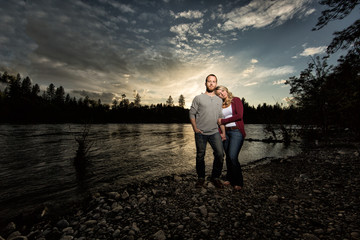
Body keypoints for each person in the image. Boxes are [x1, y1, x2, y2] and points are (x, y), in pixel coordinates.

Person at [189, 74, 225, 189]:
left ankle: (215, 177)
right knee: (200, 155)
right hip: (201, 132)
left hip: (215, 132)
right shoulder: (198, 98)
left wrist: (223, 132)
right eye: (209, 81)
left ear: (216, 84)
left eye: (214, 81)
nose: (211, 83)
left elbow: (220, 117)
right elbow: (191, 113)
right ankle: (201, 178)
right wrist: (195, 128)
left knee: (220, 154)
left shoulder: (219, 100)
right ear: (205, 83)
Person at [215, 85, 246, 190]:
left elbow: (239, 116)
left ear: (226, 90)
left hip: (236, 131)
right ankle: (229, 178)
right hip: (225, 133)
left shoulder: (236, 100)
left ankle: (238, 181)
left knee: (233, 156)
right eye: (219, 93)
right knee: (228, 156)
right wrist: (221, 133)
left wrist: (223, 121)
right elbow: (218, 122)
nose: (221, 94)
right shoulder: (219, 105)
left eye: (222, 91)